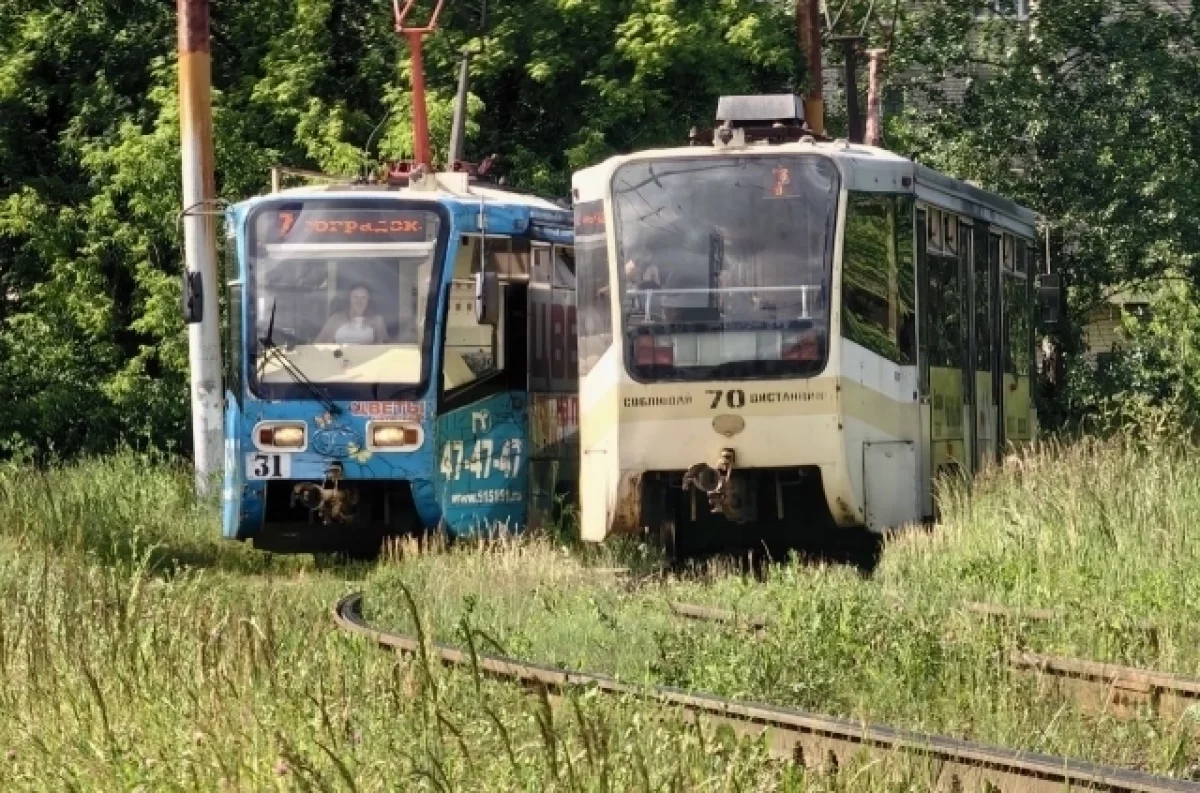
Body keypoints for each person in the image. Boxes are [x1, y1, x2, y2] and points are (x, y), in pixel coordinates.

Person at [316, 284, 389, 344]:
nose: (359, 301)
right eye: (355, 297)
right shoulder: (335, 319)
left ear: (368, 301)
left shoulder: (377, 321)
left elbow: (385, 346)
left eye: (363, 298)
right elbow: (319, 344)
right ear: (349, 299)